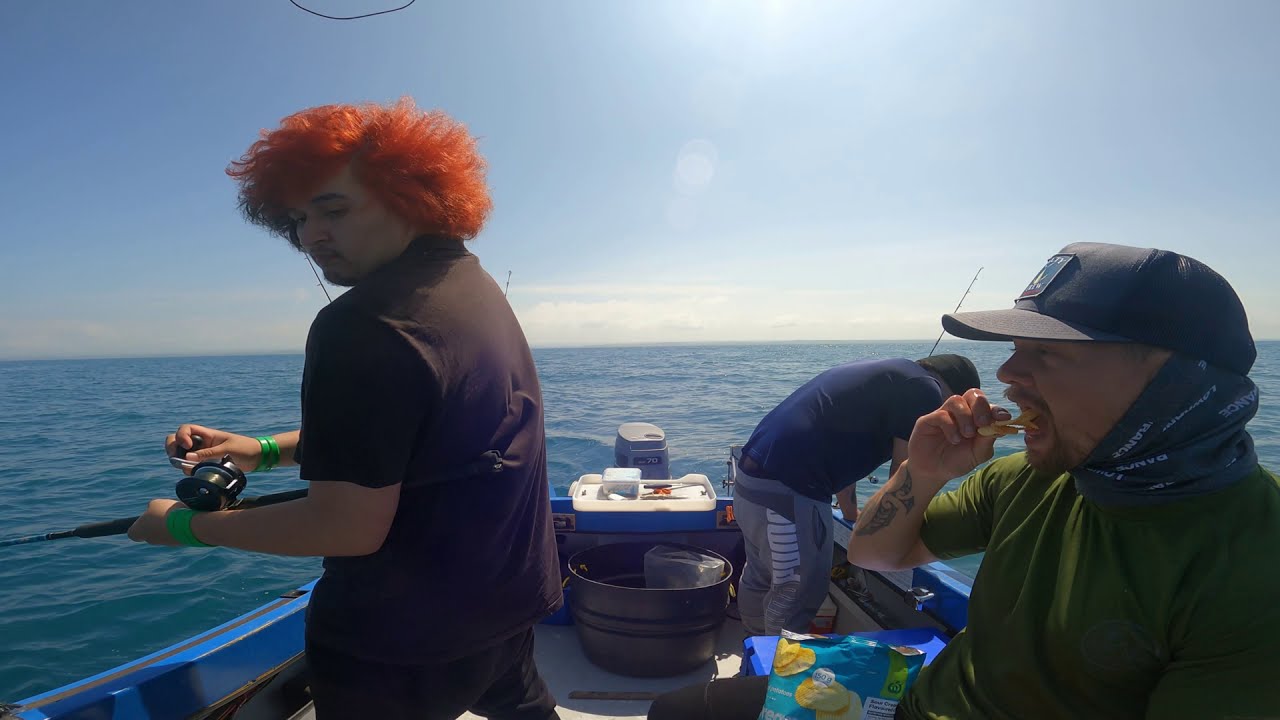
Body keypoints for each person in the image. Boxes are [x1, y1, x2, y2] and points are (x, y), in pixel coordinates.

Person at [648, 241, 1279, 720]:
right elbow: (871, 552)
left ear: (1174, 379)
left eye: (1047, 353)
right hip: (919, 700)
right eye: (1013, 348)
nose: (1008, 373)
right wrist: (923, 475)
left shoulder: (1254, 563)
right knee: (677, 711)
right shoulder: (1026, 478)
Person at [126, 99, 563, 720]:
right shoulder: (471, 284)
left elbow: (345, 528)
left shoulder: (360, 325)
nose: (310, 236)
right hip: (505, 599)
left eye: (333, 208)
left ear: (412, 194)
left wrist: (181, 526)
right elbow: (428, 425)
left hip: (398, 641)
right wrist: (265, 450)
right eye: (297, 218)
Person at [732, 354, 981, 636]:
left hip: (751, 481)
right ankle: (771, 671)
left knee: (759, 575)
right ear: (955, 396)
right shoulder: (926, 390)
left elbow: (839, 448)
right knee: (799, 590)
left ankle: (752, 650)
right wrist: (902, 536)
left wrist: (850, 514)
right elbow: (905, 474)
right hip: (791, 490)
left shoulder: (892, 375)